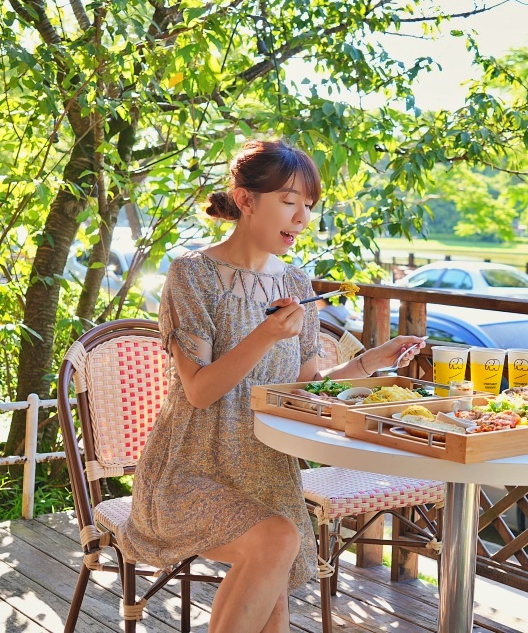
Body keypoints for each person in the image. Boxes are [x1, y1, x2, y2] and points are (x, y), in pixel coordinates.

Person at [118, 139, 425, 632]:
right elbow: (198, 391)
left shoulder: (298, 285)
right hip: (190, 470)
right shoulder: (192, 275)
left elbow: (302, 388)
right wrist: (264, 335)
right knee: (277, 540)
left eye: (308, 205)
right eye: (289, 201)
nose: (302, 217)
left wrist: (369, 362)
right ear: (245, 200)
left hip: (266, 471)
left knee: (273, 599)